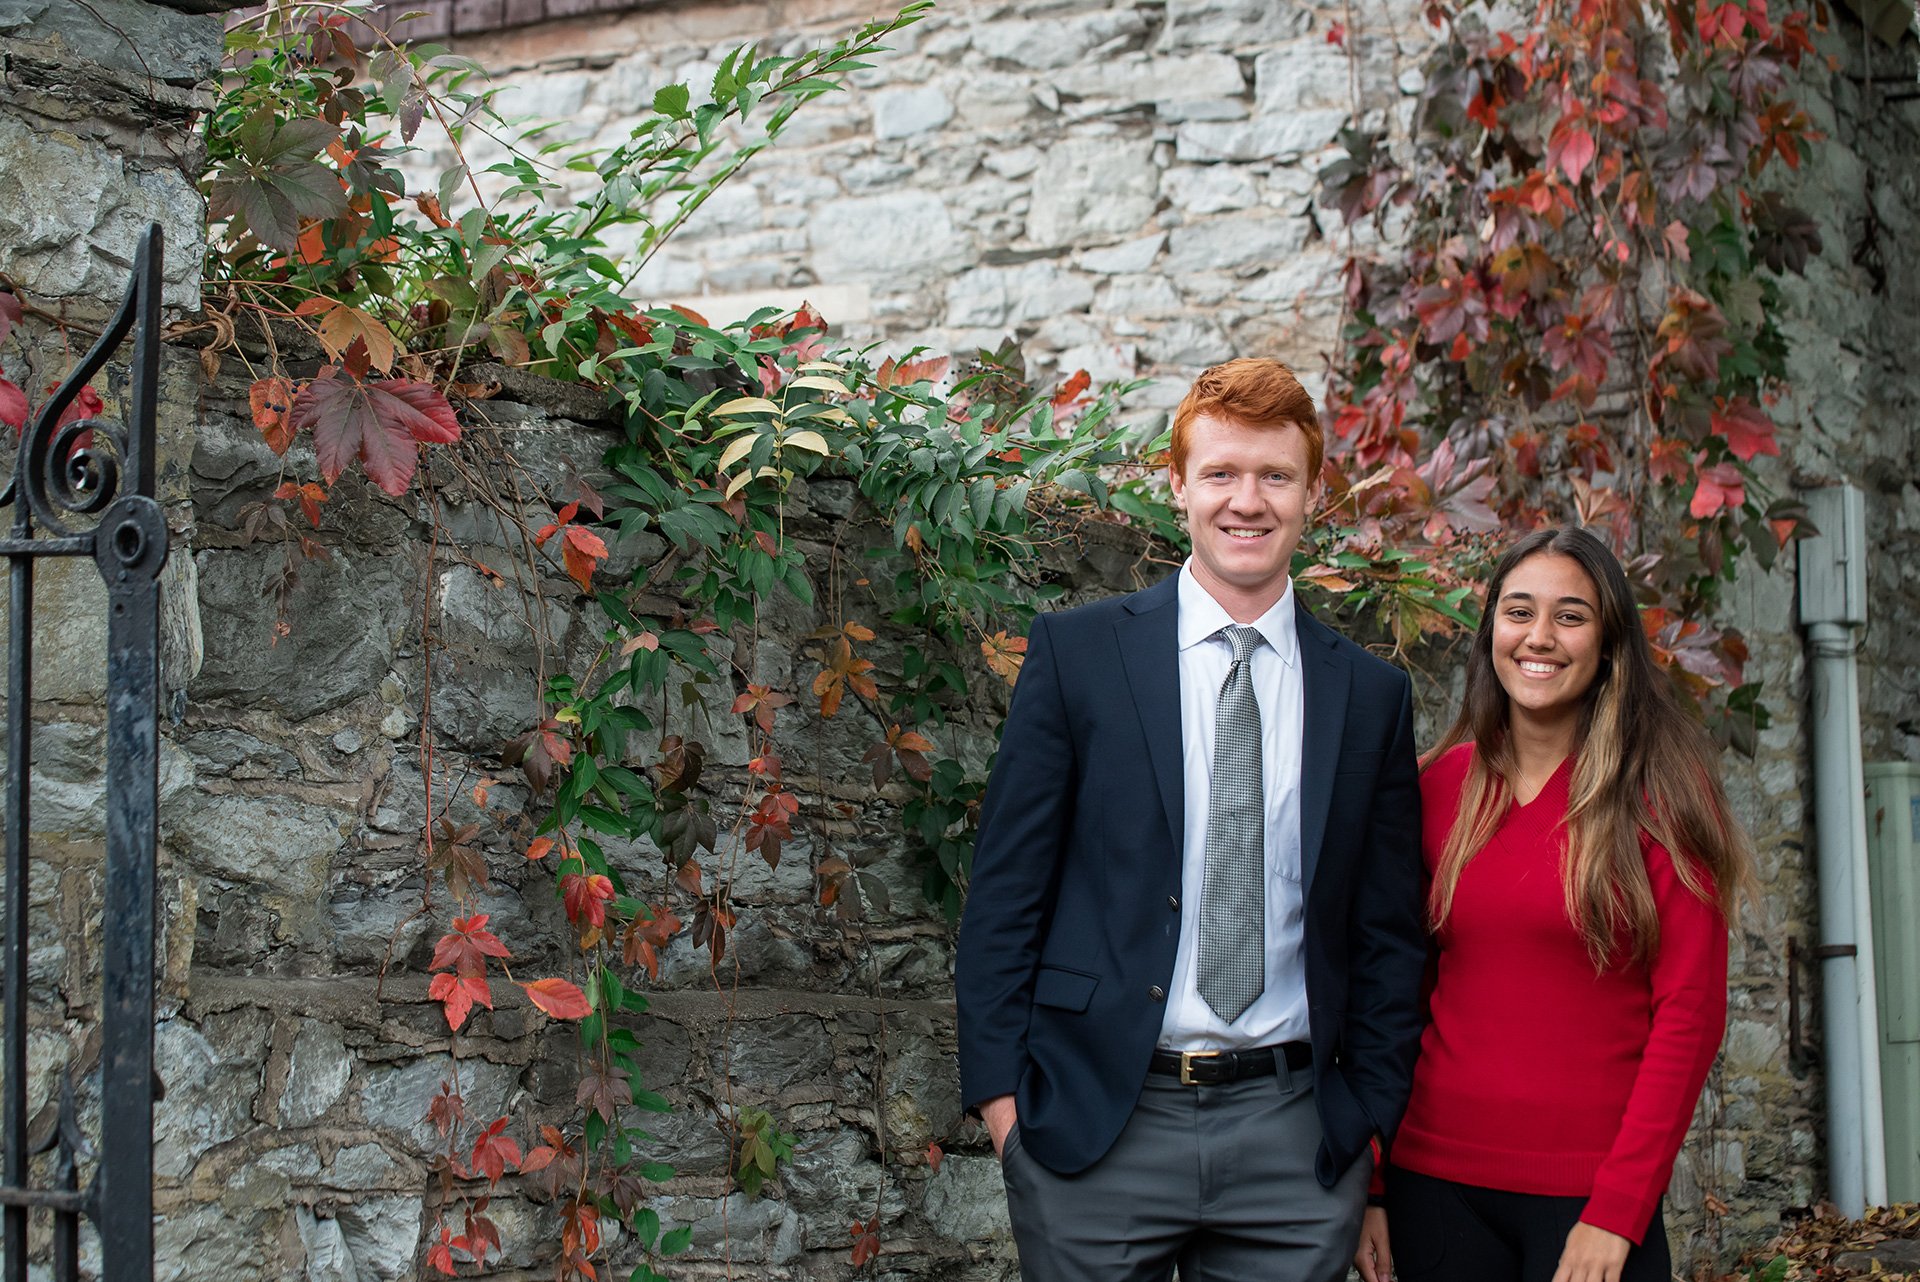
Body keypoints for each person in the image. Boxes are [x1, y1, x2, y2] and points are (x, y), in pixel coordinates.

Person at [955, 357, 1427, 1282]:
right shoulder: (1079, 656)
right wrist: (1005, 1111)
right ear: (1177, 485)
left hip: (1294, 1142)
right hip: (1097, 1128)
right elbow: (1006, 895)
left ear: (1312, 492)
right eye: (1220, 473)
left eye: (1275, 475)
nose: (1247, 501)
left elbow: (1387, 936)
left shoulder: (1370, 696)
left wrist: (1367, 1114)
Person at [1352, 526, 1756, 1282]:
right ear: (1491, 633)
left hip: (1589, 1195)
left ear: (1608, 643)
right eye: (1519, 612)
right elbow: (1392, 990)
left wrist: (1618, 1209)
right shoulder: (1435, 786)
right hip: (1433, 1185)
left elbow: (1690, 1013)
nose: (1539, 637)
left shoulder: (1662, 795)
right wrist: (1373, 1181)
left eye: (1570, 616)